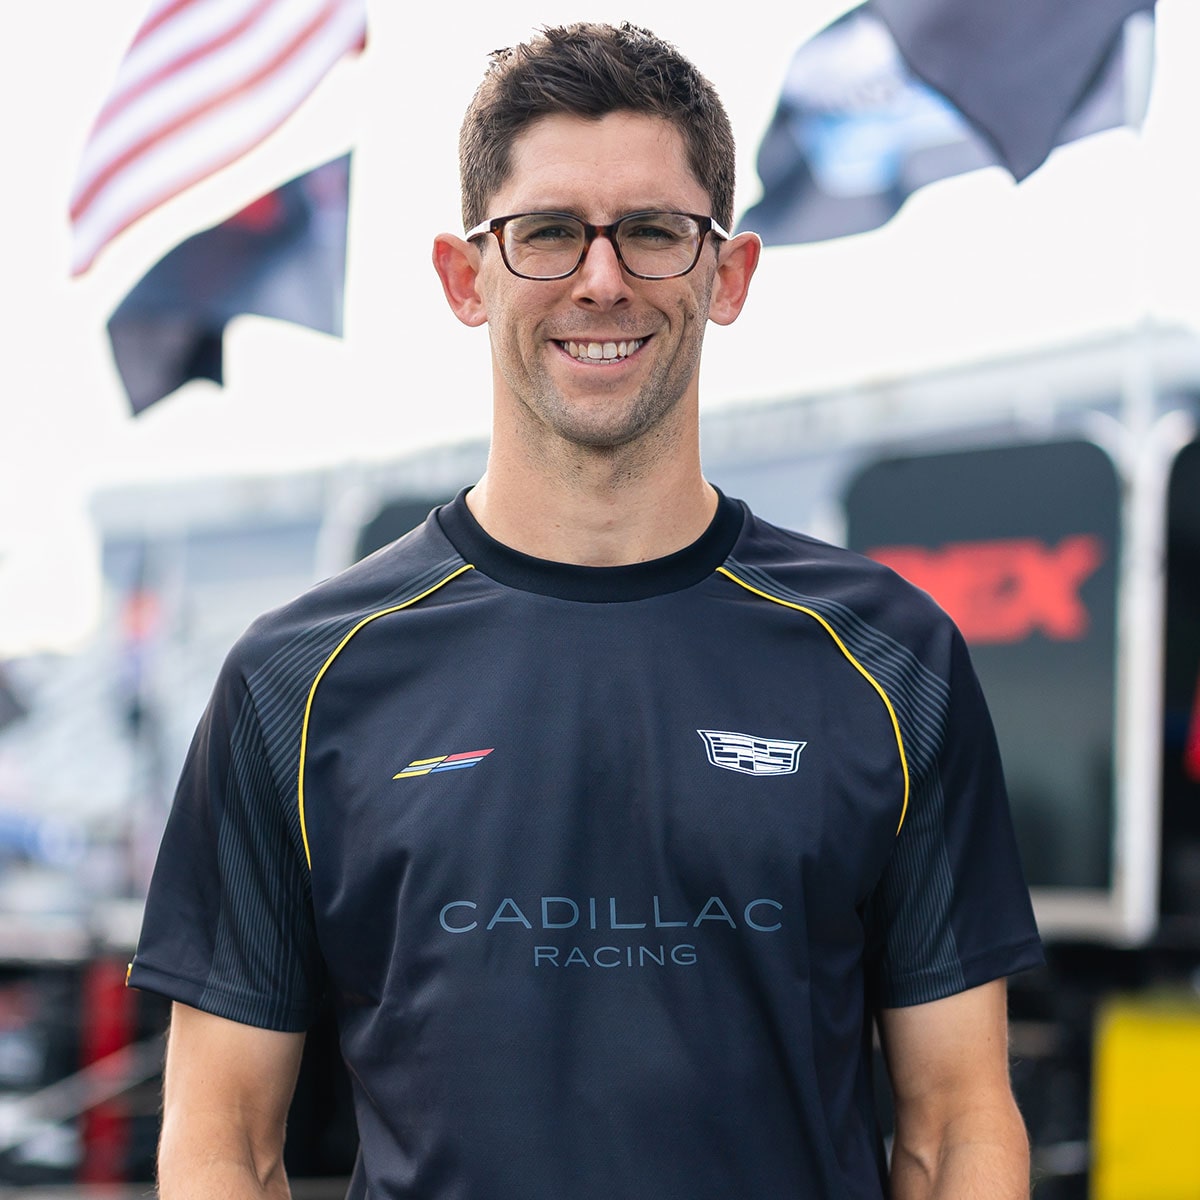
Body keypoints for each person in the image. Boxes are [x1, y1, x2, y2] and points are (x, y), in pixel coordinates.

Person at [129, 21, 1043, 1200]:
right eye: (549, 232)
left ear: (728, 276)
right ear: (469, 278)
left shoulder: (892, 660)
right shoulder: (297, 681)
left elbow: (956, 1126)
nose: (600, 278)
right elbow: (222, 1144)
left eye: (655, 232)